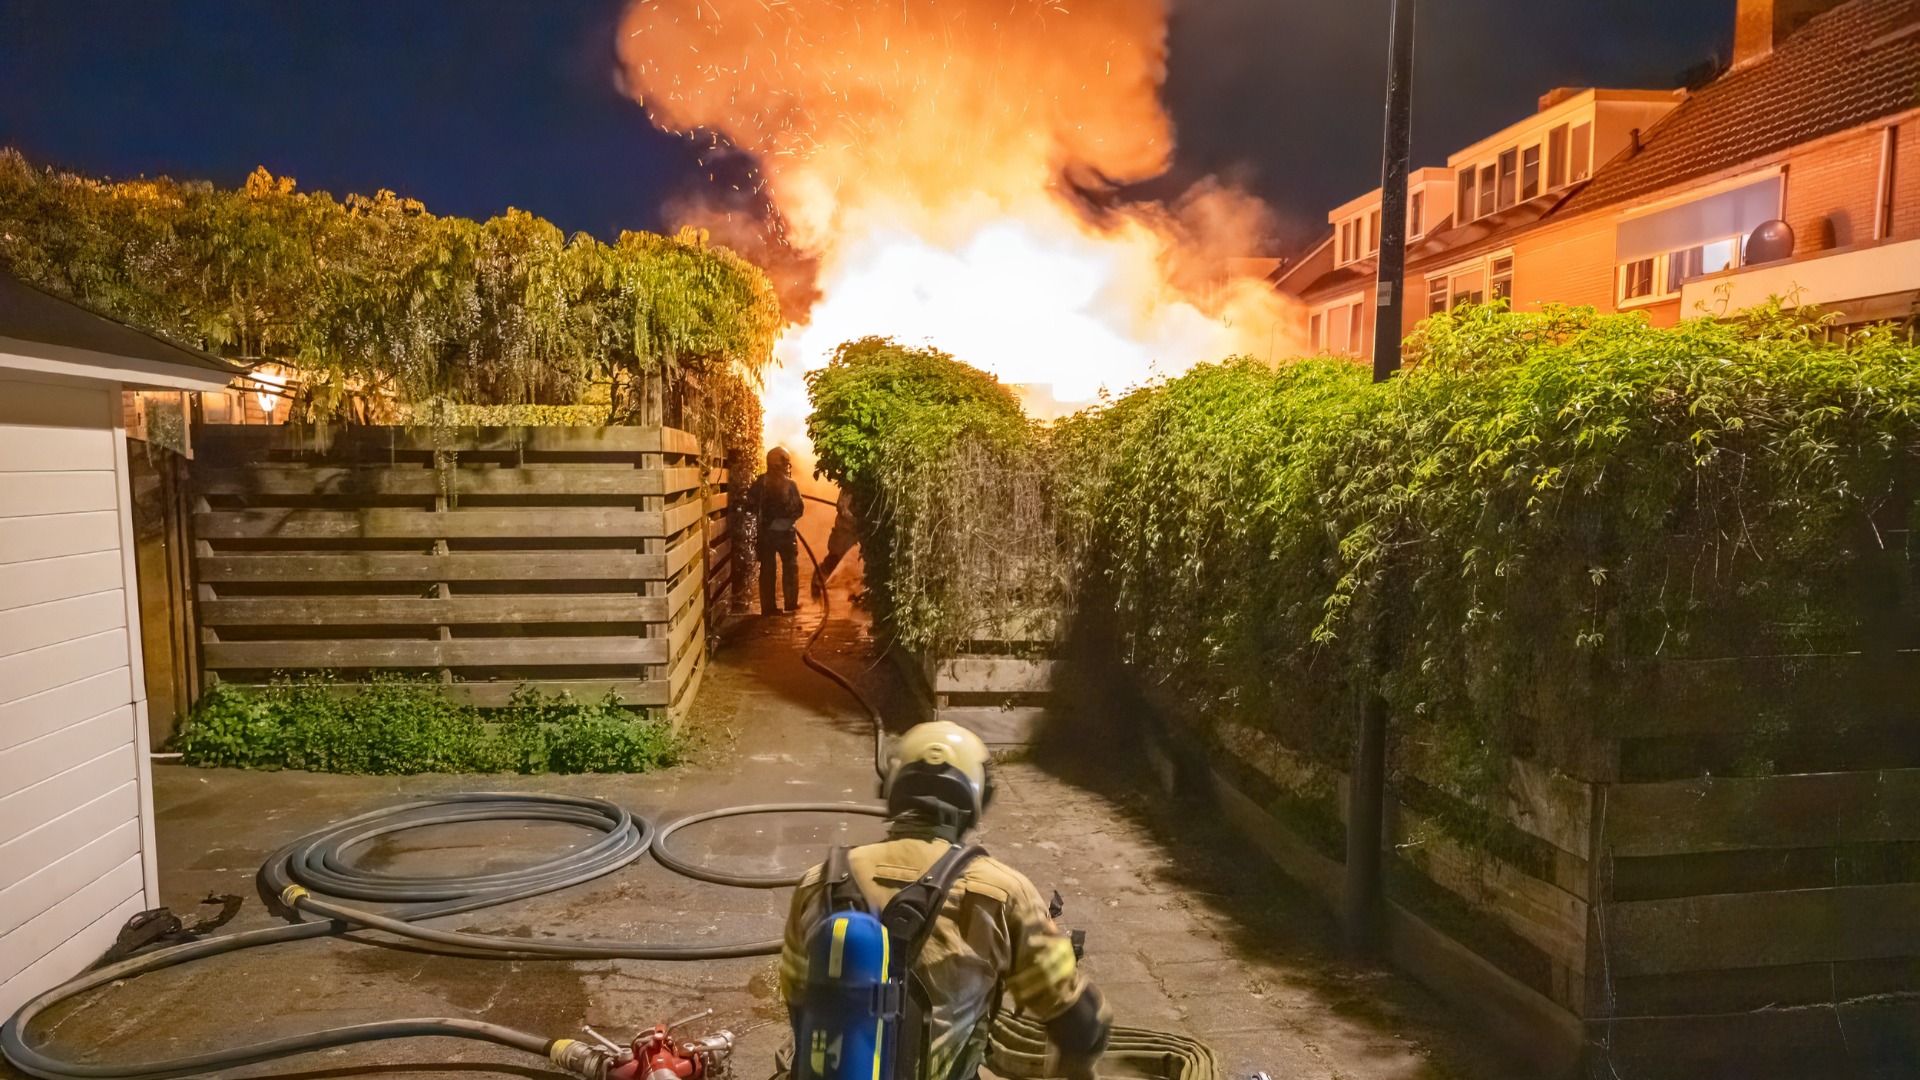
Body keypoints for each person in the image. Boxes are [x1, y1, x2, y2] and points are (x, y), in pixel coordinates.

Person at [779, 723, 1111, 1080]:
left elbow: (798, 999)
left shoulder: (819, 882)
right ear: (976, 799)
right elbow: (1080, 1023)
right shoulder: (1004, 892)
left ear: (894, 788)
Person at [745, 447, 805, 615]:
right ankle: (791, 603)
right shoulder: (791, 484)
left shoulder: (760, 483)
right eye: (785, 464)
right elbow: (799, 509)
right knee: (790, 567)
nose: (787, 468)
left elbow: (750, 504)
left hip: (767, 533)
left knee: (768, 569)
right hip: (786, 533)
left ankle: (769, 607)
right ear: (778, 465)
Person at [810, 489, 859, 599]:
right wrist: (860, 519)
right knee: (835, 559)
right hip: (843, 534)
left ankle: (856, 591)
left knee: (858, 562)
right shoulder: (848, 491)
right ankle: (817, 582)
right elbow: (844, 510)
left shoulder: (861, 489)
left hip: (855, 534)